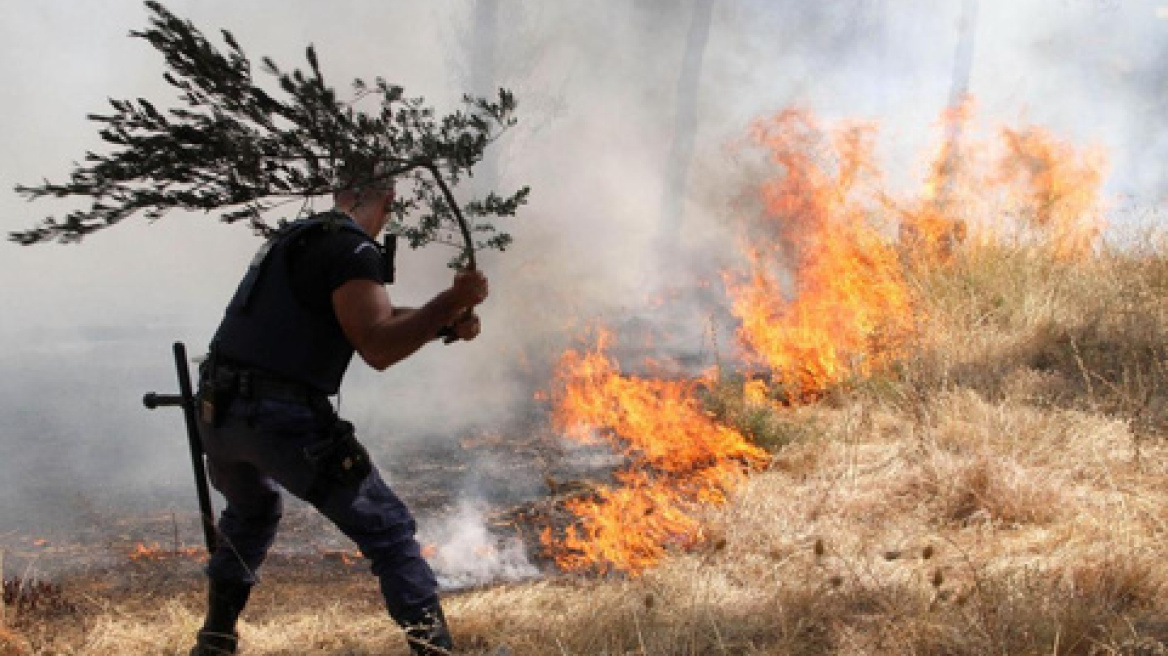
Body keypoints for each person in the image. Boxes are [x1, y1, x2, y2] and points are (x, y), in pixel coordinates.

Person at [188, 163, 487, 656]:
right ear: (387, 202)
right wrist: (452, 299)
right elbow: (378, 345)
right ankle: (437, 653)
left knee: (253, 510)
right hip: (279, 416)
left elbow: (375, 316)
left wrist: (446, 322)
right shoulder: (351, 248)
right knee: (387, 529)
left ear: (338, 193)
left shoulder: (301, 237)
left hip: (220, 411)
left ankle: (215, 640)